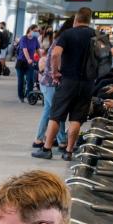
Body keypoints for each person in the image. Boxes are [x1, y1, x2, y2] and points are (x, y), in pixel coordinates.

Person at [32, 8, 97, 161]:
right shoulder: (96, 35)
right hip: (87, 83)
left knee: (55, 115)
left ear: (76, 19)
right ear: (89, 20)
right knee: (76, 118)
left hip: (68, 81)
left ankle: (46, 149)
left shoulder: (68, 34)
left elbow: (55, 54)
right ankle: (68, 152)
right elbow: (109, 55)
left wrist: (55, 72)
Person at [32, 25, 69, 151]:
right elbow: (55, 58)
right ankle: (62, 141)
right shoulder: (60, 42)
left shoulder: (57, 41)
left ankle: (39, 139)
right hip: (50, 83)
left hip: (46, 82)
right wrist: (56, 73)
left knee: (48, 111)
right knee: (57, 111)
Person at [15, 24, 41, 102]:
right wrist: (29, 59)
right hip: (21, 62)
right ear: (30, 30)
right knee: (21, 81)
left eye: (37, 31)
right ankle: (21, 96)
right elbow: (24, 50)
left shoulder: (35, 39)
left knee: (30, 80)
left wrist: (41, 58)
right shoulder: (24, 38)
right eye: (35, 31)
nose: (37, 32)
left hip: (30, 63)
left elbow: (38, 50)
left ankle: (29, 96)